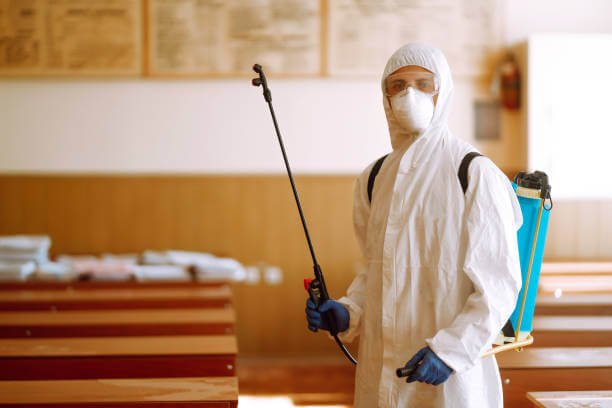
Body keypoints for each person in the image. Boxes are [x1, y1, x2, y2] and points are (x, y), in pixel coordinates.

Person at [305, 43, 523, 407]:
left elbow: (498, 287)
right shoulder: (373, 179)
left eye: (424, 84)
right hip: (380, 374)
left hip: (452, 382)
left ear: (444, 90)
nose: (410, 94)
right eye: (398, 85)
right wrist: (347, 313)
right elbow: (376, 272)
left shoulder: (472, 172)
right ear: (385, 97)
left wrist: (451, 351)